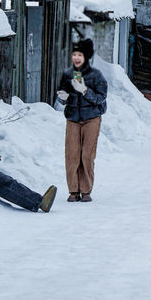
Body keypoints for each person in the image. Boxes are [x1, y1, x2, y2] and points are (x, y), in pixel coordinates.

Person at [57, 38, 107, 202]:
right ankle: (73, 191)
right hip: (72, 118)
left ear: (87, 57)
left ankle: (85, 191)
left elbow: (101, 97)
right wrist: (64, 98)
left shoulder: (96, 76)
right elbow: (62, 95)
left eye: (80, 55)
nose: (77, 58)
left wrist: (84, 90)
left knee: (87, 155)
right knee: (72, 155)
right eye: (74, 54)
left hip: (91, 118)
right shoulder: (67, 74)